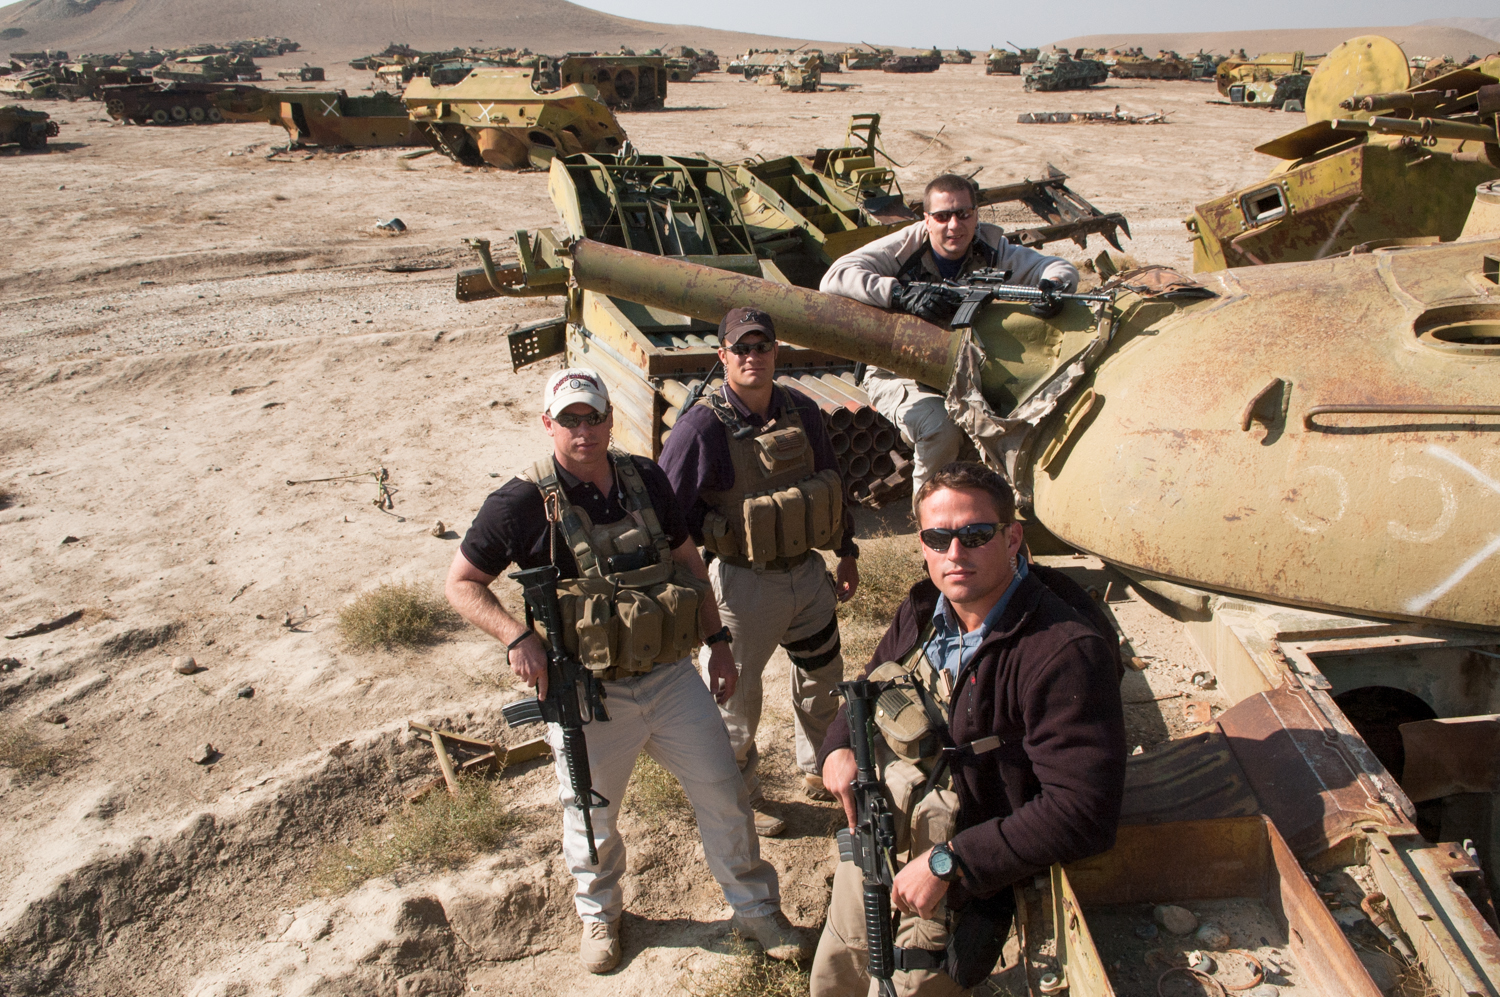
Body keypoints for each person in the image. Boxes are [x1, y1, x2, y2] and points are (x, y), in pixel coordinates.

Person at [445, 367, 811, 975]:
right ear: (548, 425)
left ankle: (755, 910)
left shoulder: (644, 477)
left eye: (593, 417)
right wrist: (516, 637)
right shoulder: (520, 502)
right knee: (591, 814)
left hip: (670, 676)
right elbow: (460, 583)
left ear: (610, 420)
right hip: (589, 693)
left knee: (723, 791)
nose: (583, 430)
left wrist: (718, 643)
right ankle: (601, 914)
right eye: (570, 419)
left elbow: (688, 560)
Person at [809, 462, 1126, 996]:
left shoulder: (1062, 652)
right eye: (939, 537)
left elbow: (1084, 810)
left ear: (1012, 538)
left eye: (975, 535)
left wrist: (950, 863)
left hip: (968, 877)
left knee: (912, 987)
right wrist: (839, 744)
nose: (955, 554)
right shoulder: (926, 607)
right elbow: (870, 682)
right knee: (839, 970)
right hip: (882, 839)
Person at [659, 307, 860, 838]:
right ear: (722, 356)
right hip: (743, 586)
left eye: (762, 347)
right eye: (741, 348)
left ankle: (822, 766)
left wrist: (847, 550)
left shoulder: (803, 410)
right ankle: (740, 796)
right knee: (735, 702)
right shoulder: (700, 427)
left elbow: (832, 483)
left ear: (776, 353)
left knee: (822, 678)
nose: (753, 357)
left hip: (809, 576)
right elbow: (664, 512)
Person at [819, 174, 1080, 515]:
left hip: (969, 368)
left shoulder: (993, 248)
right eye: (942, 216)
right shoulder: (905, 246)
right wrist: (900, 294)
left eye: (964, 214)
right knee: (939, 428)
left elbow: (1057, 268)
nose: (953, 225)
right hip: (899, 368)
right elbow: (834, 278)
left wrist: (1052, 287)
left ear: (976, 215)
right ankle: (931, 524)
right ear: (926, 219)